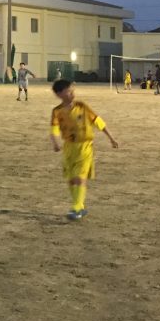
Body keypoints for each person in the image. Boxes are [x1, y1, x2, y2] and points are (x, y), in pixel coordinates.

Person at [50, 79, 119, 220]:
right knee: (71, 179)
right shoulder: (57, 111)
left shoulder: (82, 106)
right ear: (59, 94)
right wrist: (55, 142)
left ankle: (76, 208)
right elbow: (54, 128)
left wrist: (111, 137)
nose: (72, 93)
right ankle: (80, 206)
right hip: (69, 148)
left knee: (79, 177)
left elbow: (97, 121)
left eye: (73, 90)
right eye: (69, 91)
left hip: (85, 147)